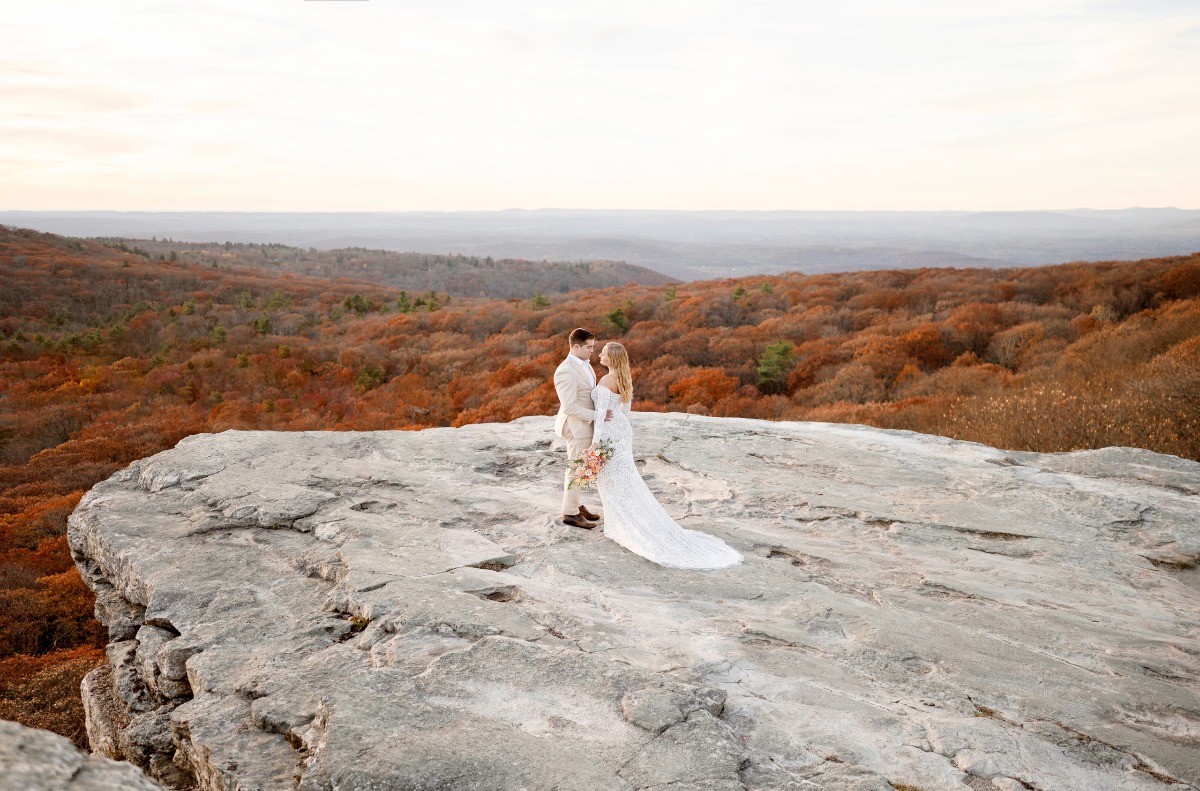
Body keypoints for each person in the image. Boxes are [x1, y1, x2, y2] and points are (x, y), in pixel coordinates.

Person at [587, 341, 743, 570]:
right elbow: (625, 411)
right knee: (625, 478)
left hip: (609, 432)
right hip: (622, 430)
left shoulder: (605, 380)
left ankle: (620, 525)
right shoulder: (623, 377)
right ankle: (622, 522)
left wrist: (594, 442)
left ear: (613, 358)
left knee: (611, 479)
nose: (600, 355)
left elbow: (601, 415)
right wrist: (617, 422)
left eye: (604, 353)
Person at [553, 328, 612, 529]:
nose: (592, 351)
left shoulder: (584, 364)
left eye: (593, 347)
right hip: (575, 427)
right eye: (588, 347)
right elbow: (569, 406)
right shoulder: (566, 371)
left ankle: (576, 505)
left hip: (584, 425)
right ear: (576, 346)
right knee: (576, 469)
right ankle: (569, 513)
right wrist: (598, 416)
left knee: (580, 467)